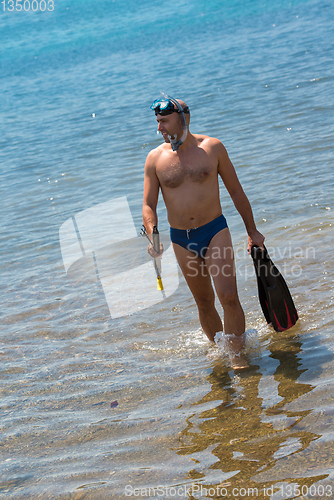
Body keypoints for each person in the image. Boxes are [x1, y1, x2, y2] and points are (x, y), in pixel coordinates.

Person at [142, 94, 264, 346]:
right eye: (157, 121)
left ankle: (237, 355)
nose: (159, 128)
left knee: (228, 296)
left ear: (183, 119)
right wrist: (153, 235)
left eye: (164, 121)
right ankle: (219, 349)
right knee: (204, 303)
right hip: (182, 239)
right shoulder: (155, 158)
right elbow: (148, 205)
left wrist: (253, 232)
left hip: (214, 230)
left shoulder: (212, 148)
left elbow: (236, 192)